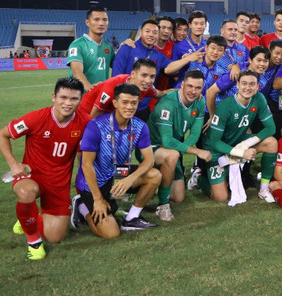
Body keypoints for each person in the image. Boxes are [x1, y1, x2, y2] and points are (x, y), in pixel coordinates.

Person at [1, 78, 89, 260]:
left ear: (80, 100)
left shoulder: (85, 122)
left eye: (74, 99)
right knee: (26, 191)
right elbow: (3, 135)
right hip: (32, 178)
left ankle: (27, 217)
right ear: (53, 97)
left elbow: (88, 153)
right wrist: (14, 164)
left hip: (59, 184)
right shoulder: (36, 118)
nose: (68, 103)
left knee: (56, 237)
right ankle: (33, 241)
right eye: (63, 97)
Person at [73, 84, 162, 238]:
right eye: (125, 102)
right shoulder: (96, 126)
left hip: (118, 174)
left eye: (134, 103)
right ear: (115, 103)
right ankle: (82, 207)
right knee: (111, 233)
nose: (130, 107)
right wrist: (98, 199)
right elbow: (86, 165)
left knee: (155, 175)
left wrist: (129, 179)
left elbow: (149, 160)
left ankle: (132, 218)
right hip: (95, 182)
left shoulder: (140, 126)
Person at [200, 71, 278, 204]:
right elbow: (214, 142)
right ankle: (198, 178)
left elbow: (271, 128)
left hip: (239, 142)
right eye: (244, 83)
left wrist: (247, 143)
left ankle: (264, 189)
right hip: (217, 150)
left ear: (258, 86)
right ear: (237, 85)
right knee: (221, 197)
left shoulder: (259, 98)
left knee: (271, 143)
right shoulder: (225, 106)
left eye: (252, 84)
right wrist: (241, 152)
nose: (248, 87)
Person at [148, 70, 211, 221]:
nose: (193, 91)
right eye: (189, 86)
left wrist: (181, 150)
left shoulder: (200, 101)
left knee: (179, 197)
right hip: (152, 149)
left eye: (197, 88)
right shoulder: (168, 103)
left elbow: (195, 134)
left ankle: (157, 183)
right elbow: (167, 141)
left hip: (172, 150)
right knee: (172, 155)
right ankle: (163, 206)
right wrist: (196, 152)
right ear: (182, 85)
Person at [111, 19, 171, 114]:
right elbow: (115, 78)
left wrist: (188, 59)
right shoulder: (127, 48)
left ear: (158, 35)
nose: (151, 34)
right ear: (140, 32)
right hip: (125, 106)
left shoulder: (159, 56)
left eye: (155, 32)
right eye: (147, 31)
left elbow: (173, 66)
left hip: (143, 108)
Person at [78, 59, 168, 118]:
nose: (148, 81)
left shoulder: (146, 87)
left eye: (152, 76)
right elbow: (95, 114)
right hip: (86, 113)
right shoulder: (113, 86)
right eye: (144, 75)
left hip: (109, 116)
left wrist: (181, 90)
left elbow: (161, 94)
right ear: (133, 74)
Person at [67, 5, 113, 90]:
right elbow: (77, 71)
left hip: (101, 98)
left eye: (105, 20)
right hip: (82, 97)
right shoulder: (77, 44)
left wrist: (125, 45)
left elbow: (120, 65)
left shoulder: (108, 46)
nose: (101, 23)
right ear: (87, 22)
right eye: (96, 19)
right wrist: (89, 87)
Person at [171, 10, 208, 85]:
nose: (199, 26)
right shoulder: (179, 46)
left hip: (203, 86)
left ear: (205, 25)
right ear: (190, 25)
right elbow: (172, 71)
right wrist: (184, 61)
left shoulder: (208, 46)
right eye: (196, 23)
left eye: (202, 24)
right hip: (183, 86)